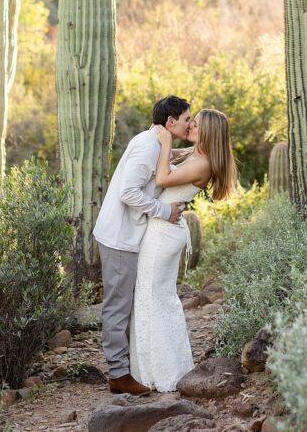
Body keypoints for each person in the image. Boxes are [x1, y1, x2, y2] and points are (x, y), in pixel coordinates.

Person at [129, 108, 238, 392]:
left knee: (154, 298)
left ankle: (162, 373)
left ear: (208, 132)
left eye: (195, 124)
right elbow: (171, 157)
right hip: (163, 230)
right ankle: (152, 369)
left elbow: (163, 178)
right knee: (155, 297)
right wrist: (165, 142)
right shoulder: (196, 155)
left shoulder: (202, 163)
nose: (189, 125)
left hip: (163, 234)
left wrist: (165, 143)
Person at [93, 95, 192, 396]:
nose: (190, 124)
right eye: (187, 119)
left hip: (126, 235)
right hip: (120, 237)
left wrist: (186, 153)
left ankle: (123, 368)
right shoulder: (149, 146)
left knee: (123, 302)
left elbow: (160, 164)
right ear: (171, 121)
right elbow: (128, 192)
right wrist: (164, 211)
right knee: (118, 305)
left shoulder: (155, 143)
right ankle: (118, 374)